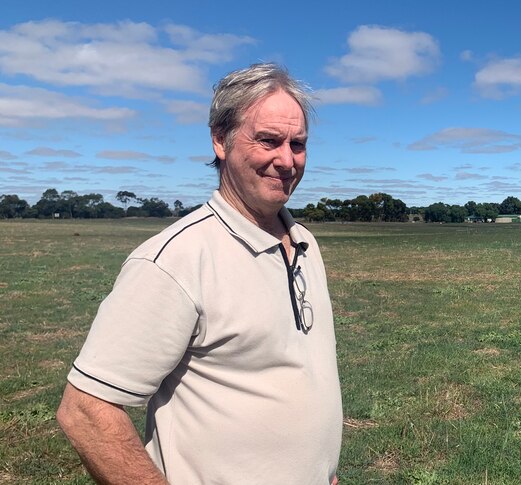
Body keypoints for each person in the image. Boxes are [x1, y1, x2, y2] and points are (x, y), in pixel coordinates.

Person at [56, 63, 342, 484]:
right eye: (268, 140)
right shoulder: (174, 261)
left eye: (297, 144)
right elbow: (84, 411)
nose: (287, 160)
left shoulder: (303, 241)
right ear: (220, 140)